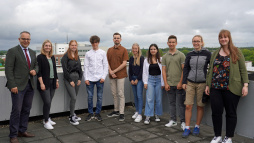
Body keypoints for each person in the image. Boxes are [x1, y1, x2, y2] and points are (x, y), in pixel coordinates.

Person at [205, 30, 249, 143]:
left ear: (229, 38)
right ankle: (217, 136)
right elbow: (210, 70)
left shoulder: (236, 52)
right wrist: (207, 85)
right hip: (215, 87)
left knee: (231, 113)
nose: (223, 39)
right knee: (216, 112)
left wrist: (245, 85)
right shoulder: (215, 53)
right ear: (219, 39)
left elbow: (243, 70)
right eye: (221, 37)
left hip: (232, 88)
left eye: (225, 37)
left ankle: (228, 137)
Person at [5, 31, 38, 143]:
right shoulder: (12, 51)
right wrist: (12, 85)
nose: (26, 41)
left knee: (26, 109)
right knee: (16, 111)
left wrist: (35, 70)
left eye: (28, 39)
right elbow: (8, 70)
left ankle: (22, 130)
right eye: (24, 39)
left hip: (30, 85)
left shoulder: (33, 52)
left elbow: (36, 65)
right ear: (19, 39)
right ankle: (13, 135)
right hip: (17, 87)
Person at [181, 35, 211, 138]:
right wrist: (184, 82)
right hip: (190, 82)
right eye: (194, 41)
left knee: (200, 106)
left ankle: (197, 126)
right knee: (188, 105)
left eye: (198, 41)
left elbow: (211, 69)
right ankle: (187, 127)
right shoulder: (189, 54)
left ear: (202, 42)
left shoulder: (207, 54)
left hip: (202, 83)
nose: (196, 43)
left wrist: (208, 83)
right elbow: (186, 69)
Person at [162, 35, 186, 130]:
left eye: (173, 42)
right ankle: (173, 120)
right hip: (169, 84)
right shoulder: (165, 56)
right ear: (167, 43)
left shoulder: (181, 55)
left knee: (181, 104)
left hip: (179, 84)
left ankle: (183, 121)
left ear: (176, 43)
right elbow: (163, 70)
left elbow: (184, 70)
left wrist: (181, 82)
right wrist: (165, 83)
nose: (171, 44)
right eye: (170, 42)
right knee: (171, 103)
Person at [83, 35, 108, 121]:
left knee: (99, 97)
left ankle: (97, 113)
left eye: (96, 42)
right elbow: (85, 67)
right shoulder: (88, 54)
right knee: (90, 97)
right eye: (93, 43)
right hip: (90, 79)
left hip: (100, 79)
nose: (94, 44)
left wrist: (103, 77)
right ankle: (90, 113)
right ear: (91, 43)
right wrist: (86, 78)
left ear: (98, 43)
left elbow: (105, 65)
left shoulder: (103, 53)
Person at [37, 40, 59, 130]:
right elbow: (39, 72)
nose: (48, 47)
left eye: (49, 46)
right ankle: (46, 121)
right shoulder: (40, 57)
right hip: (44, 83)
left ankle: (47, 118)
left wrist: (57, 81)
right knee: (47, 102)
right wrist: (41, 83)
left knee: (49, 102)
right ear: (43, 47)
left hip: (52, 82)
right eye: (46, 46)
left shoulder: (52, 57)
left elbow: (55, 70)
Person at [107, 32, 129, 121]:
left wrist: (114, 71)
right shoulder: (109, 50)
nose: (116, 39)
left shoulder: (124, 50)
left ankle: (121, 112)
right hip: (112, 75)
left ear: (120, 39)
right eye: (115, 38)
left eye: (118, 38)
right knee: (114, 94)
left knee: (120, 94)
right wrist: (110, 72)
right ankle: (116, 110)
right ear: (113, 39)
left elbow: (124, 64)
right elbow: (107, 62)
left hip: (120, 75)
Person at [61, 40, 83, 125]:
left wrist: (80, 79)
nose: (74, 47)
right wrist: (70, 81)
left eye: (75, 45)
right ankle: (71, 117)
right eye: (72, 45)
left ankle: (73, 113)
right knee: (73, 97)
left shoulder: (77, 56)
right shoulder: (65, 57)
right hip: (69, 79)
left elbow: (80, 69)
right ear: (69, 46)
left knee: (74, 98)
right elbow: (65, 71)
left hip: (77, 79)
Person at [143, 44, 164, 124]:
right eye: (151, 49)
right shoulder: (146, 60)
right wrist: (145, 82)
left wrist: (163, 83)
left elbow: (163, 72)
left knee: (158, 99)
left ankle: (157, 115)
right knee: (149, 99)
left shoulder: (161, 59)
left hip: (159, 80)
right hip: (150, 80)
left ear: (157, 50)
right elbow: (144, 72)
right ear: (149, 50)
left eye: (154, 49)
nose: (153, 50)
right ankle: (148, 116)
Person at [129, 43, 144, 123]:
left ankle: (140, 114)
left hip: (139, 79)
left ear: (138, 49)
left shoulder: (141, 58)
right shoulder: (131, 58)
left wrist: (137, 79)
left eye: (136, 48)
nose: (134, 50)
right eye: (133, 48)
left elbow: (142, 70)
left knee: (139, 96)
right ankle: (137, 111)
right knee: (135, 96)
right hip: (133, 79)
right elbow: (130, 70)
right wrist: (131, 79)